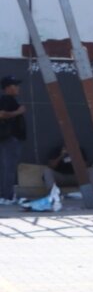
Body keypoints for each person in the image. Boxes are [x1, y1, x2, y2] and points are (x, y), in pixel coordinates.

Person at [0, 76, 26, 205]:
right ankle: (7, 197)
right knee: (9, 167)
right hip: (10, 138)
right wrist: (18, 111)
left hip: (8, 138)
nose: (18, 88)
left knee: (6, 167)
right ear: (8, 88)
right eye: (15, 85)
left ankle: (5, 196)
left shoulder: (8, 100)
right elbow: (2, 114)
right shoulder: (7, 99)